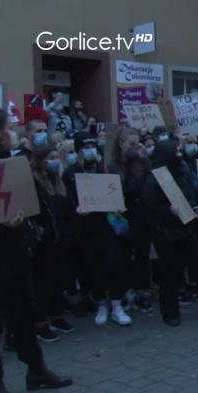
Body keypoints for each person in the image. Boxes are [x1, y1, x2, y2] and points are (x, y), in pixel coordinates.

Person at [0, 109, 72, 393]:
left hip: (15, 252)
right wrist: (0, 223)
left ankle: (36, 369)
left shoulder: (12, 161)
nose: (12, 131)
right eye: (8, 127)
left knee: (24, 313)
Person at [141, 140, 198, 326]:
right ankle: (170, 313)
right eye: (175, 151)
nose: (179, 154)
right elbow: (149, 207)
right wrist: (168, 210)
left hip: (187, 226)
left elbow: (189, 193)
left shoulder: (182, 170)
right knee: (169, 274)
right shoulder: (154, 178)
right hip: (166, 232)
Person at [63, 131, 133, 326]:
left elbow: (118, 194)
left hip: (109, 226)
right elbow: (67, 202)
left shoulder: (106, 170)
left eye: (93, 146)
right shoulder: (70, 174)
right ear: (78, 151)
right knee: (94, 266)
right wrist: (76, 210)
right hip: (87, 227)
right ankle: (101, 303)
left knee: (114, 264)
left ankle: (117, 305)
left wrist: (120, 207)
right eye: (85, 148)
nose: (90, 151)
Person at [29, 146, 78, 342]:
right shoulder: (34, 182)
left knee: (59, 279)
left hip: (62, 239)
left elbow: (69, 206)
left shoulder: (60, 182)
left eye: (57, 157)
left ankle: (57, 316)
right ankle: (41, 323)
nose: (55, 161)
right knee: (42, 283)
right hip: (43, 241)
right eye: (51, 158)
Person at [109, 127, 154, 312]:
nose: (135, 147)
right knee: (124, 256)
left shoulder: (142, 163)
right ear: (121, 144)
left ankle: (142, 290)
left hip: (141, 214)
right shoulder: (113, 166)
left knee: (142, 255)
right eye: (131, 144)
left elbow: (150, 183)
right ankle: (126, 291)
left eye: (137, 143)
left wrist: (143, 159)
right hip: (122, 215)